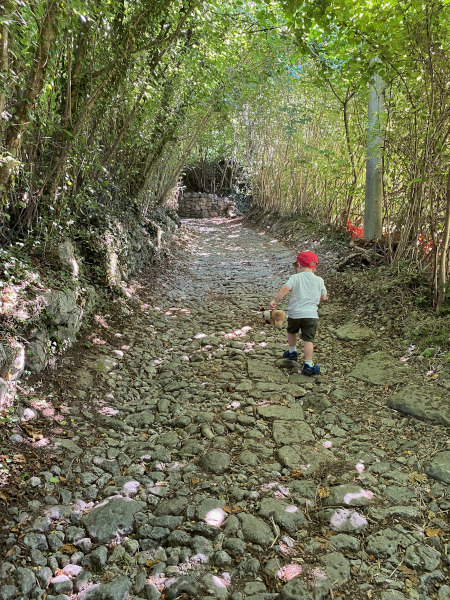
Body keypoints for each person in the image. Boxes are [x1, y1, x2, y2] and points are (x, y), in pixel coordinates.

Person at [269, 251, 327, 375]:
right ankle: (308, 364)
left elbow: (285, 288)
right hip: (311, 315)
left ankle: (292, 351)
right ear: (313, 267)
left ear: (299, 265)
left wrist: (275, 299)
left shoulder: (295, 278)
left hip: (295, 313)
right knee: (308, 340)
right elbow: (323, 297)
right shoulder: (319, 280)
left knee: (291, 331)